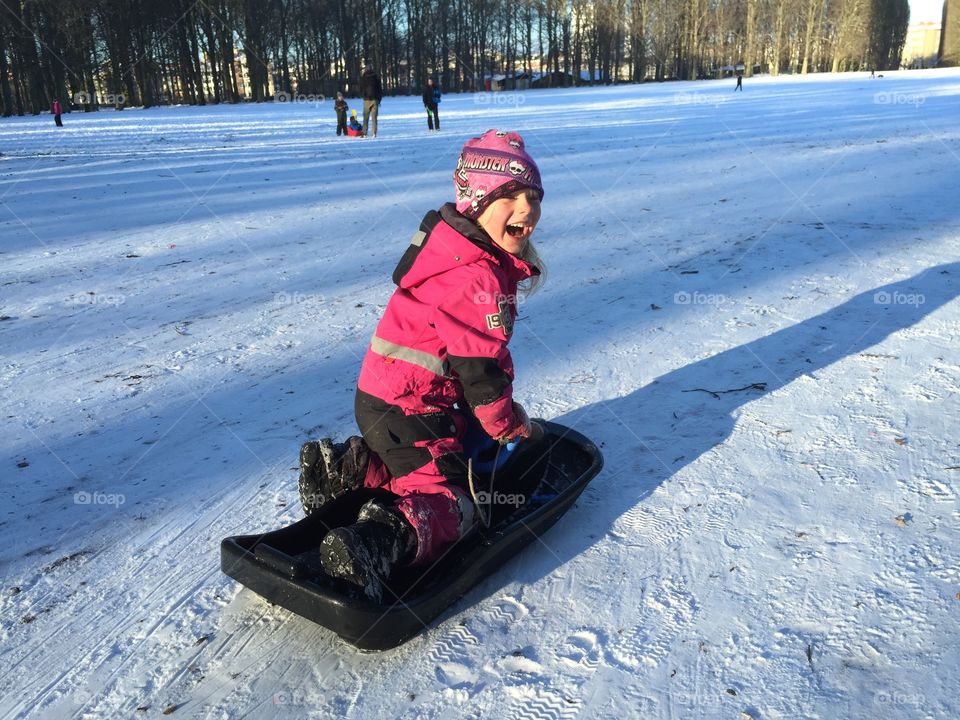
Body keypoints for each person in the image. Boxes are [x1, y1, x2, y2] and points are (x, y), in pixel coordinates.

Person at [299, 129, 545, 600]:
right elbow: (481, 370)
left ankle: (350, 471)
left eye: (533, 195)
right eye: (510, 194)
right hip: (416, 411)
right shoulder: (477, 277)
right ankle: (383, 541)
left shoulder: (451, 253)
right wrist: (505, 424)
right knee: (452, 500)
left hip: (382, 400)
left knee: (413, 460)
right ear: (475, 199)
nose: (527, 208)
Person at [360, 64, 382, 137]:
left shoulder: (363, 77)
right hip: (375, 100)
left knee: (365, 118)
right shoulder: (376, 77)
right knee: (374, 118)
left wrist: (363, 96)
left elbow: (361, 88)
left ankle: (364, 133)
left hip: (366, 100)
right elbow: (380, 89)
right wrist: (379, 99)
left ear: (366, 69)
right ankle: (374, 133)